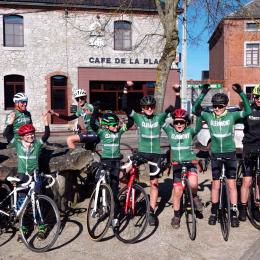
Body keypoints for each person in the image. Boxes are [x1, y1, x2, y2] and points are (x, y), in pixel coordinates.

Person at [192, 83, 251, 228]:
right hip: (216, 154)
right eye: (215, 106)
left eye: (220, 106)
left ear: (225, 106)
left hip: (230, 153)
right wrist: (203, 92)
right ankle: (214, 211)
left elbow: (248, 112)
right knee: (216, 185)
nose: (217, 109)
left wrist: (241, 93)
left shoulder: (232, 115)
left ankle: (234, 211)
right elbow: (194, 109)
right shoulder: (209, 115)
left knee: (231, 185)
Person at [122, 81, 177, 226]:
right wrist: (125, 89)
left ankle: (151, 212)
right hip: (142, 152)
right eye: (146, 107)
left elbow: (174, 109)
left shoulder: (159, 118)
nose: (149, 109)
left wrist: (177, 93)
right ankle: (125, 196)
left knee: (154, 184)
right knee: (126, 171)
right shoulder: (139, 118)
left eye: (151, 106)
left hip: (155, 155)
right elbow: (124, 107)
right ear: (142, 108)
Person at [5, 111, 50, 242]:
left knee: (37, 201)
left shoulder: (37, 144)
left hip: (35, 175)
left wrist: (45, 122)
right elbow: (7, 135)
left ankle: (41, 226)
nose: (30, 136)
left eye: (32, 134)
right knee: (22, 203)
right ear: (22, 137)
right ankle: (24, 227)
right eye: (27, 134)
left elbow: (46, 135)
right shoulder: (18, 144)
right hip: (21, 177)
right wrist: (11, 122)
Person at [90, 106, 134, 226]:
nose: (116, 127)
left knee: (114, 189)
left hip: (116, 162)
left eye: (116, 124)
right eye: (113, 125)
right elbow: (92, 123)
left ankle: (115, 216)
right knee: (98, 183)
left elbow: (131, 122)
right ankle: (98, 206)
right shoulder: (102, 132)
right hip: (105, 162)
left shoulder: (119, 131)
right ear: (107, 126)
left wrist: (126, 110)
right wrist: (95, 110)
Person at [162, 108, 203, 229]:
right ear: (173, 123)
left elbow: (199, 125)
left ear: (186, 123)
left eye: (181, 122)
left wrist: (199, 114)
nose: (179, 124)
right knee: (178, 191)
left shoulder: (190, 131)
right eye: (176, 122)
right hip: (177, 166)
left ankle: (194, 196)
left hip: (190, 163)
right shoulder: (170, 131)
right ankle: (176, 216)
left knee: (194, 184)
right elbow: (160, 122)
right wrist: (166, 112)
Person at [239, 85, 260, 222]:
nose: (259, 100)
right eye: (257, 97)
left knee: (259, 179)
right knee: (247, 180)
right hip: (249, 147)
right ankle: (242, 207)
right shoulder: (248, 110)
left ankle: (257, 206)